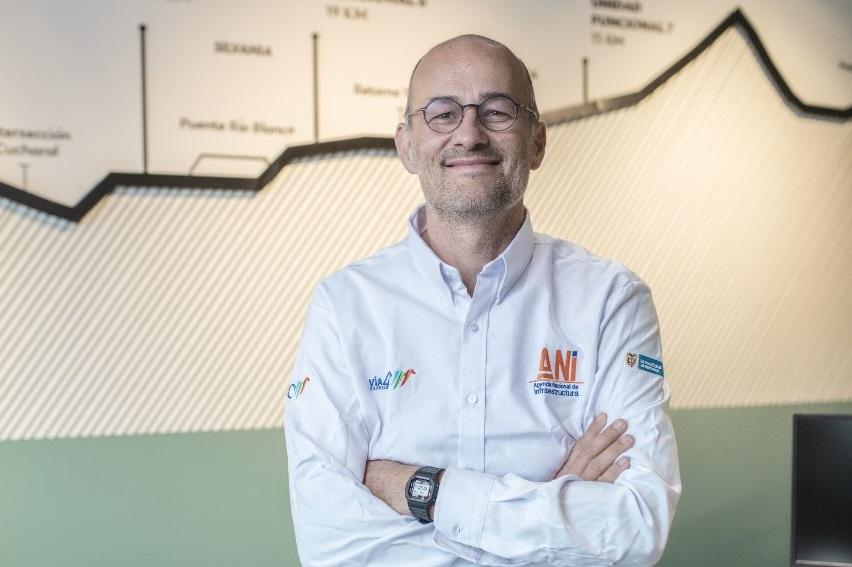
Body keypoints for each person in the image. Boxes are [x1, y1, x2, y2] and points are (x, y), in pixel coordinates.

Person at [284, 34, 680, 566]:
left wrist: (421, 490)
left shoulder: (611, 300)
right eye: (442, 113)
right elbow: (332, 545)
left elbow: (636, 528)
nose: (469, 134)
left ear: (537, 142)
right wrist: (552, 504)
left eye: (497, 111)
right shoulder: (345, 306)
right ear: (405, 146)